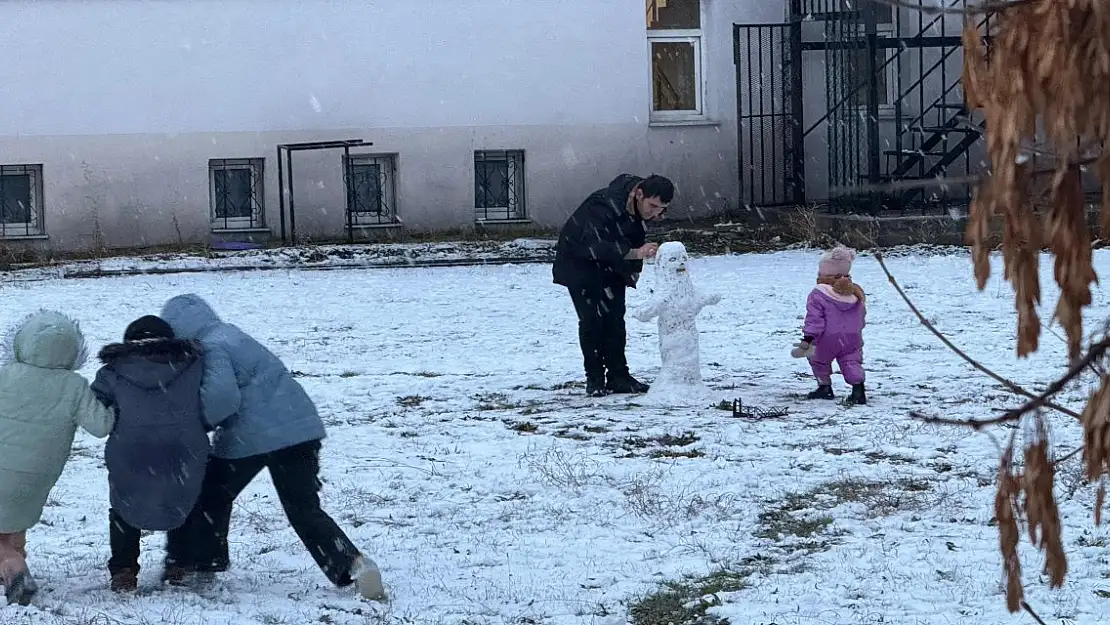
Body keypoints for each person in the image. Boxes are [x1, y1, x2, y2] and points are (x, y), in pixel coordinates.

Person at [159, 294, 386, 601]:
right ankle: (354, 564)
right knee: (303, 508)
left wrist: (198, 424)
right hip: (300, 429)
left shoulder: (210, 347)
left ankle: (202, 561)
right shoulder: (233, 334)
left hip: (252, 437)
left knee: (210, 492)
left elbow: (222, 399)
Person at [90, 315, 218, 593]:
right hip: (184, 448)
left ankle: (124, 571)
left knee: (124, 507)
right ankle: (179, 565)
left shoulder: (112, 372)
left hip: (131, 449)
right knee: (185, 501)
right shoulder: (193, 365)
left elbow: (96, 404)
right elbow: (212, 397)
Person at [0, 310, 116, 605]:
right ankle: (10, 570)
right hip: (39, 473)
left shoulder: (4, 374)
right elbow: (101, 426)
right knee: (15, 518)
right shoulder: (74, 385)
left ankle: (15, 570)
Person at [552, 173, 674, 397]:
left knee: (615, 319)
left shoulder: (636, 209)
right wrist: (635, 253)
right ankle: (595, 378)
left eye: (661, 209)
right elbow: (594, 243)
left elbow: (630, 238)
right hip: (579, 264)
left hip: (612, 266)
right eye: (653, 206)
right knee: (592, 320)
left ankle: (619, 376)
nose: (655, 213)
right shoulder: (603, 204)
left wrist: (631, 272)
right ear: (638, 193)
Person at [790, 246, 868, 405]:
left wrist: (808, 338)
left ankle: (824, 387)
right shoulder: (855, 292)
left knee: (818, 359)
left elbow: (814, 319)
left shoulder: (819, 293)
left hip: (827, 338)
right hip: (852, 337)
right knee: (851, 361)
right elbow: (861, 316)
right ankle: (858, 390)